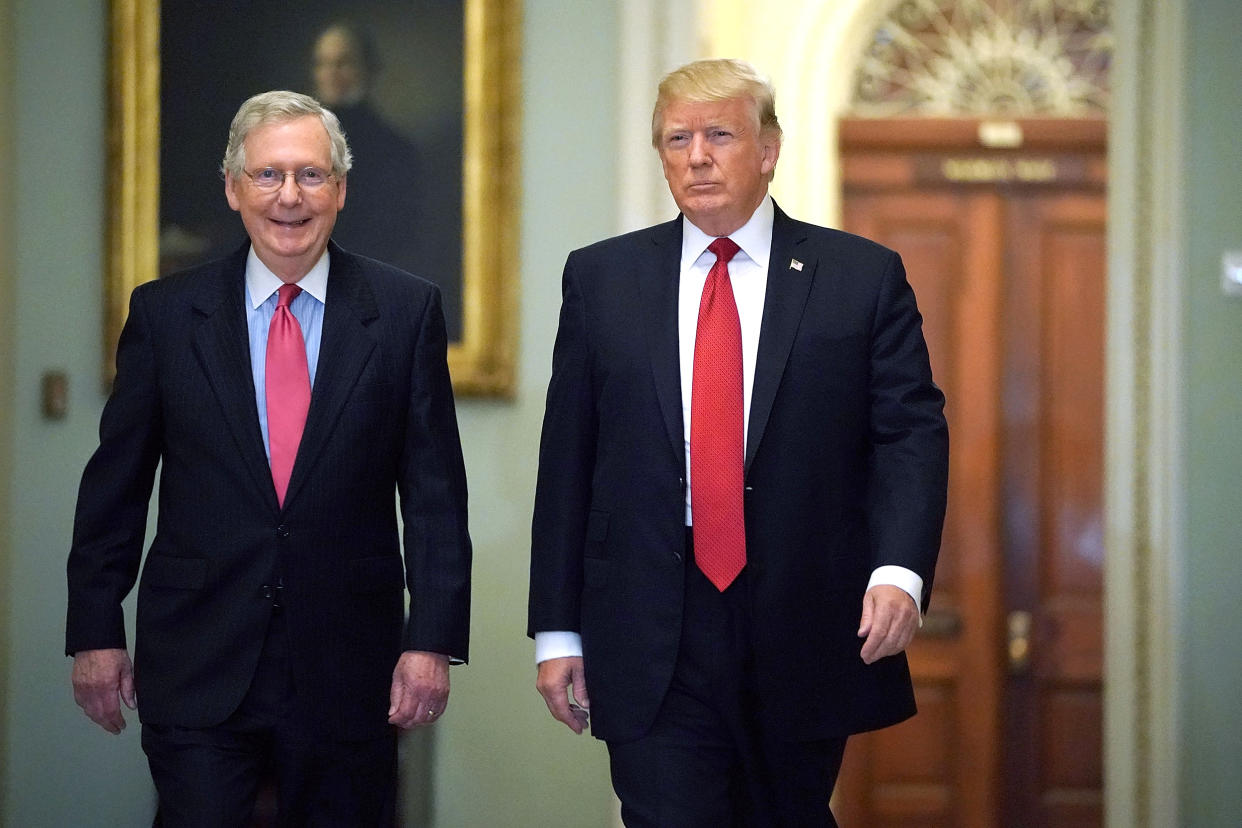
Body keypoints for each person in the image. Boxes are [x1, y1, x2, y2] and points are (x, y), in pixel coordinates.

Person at [528, 59, 948, 826]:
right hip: (654, 621)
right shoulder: (602, 279)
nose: (696, 156)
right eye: (676, 138)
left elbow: (909, 434)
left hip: (803, 616)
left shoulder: (859, 276)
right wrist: (556, 630)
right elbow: (568, 463)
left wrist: (900, 570)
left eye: (719, 134)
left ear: (768, 149)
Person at [66, 90, 472, 826]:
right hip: (197, 658)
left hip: (349, 669)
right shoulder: (165, 315)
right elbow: (115, 491)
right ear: (232, 188)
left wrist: (432, 642)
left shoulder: (405, 312)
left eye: (312, 176)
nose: (290, 197)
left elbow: (437, 497)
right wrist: (95, 629)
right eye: (268, 175)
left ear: (341, 191)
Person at [309, 20, 462, 337]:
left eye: (343, 63)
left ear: (369, 69)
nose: (331, 73)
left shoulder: (394, 150)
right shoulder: (297, 147)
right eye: (323, 63)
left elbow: (395, 237)